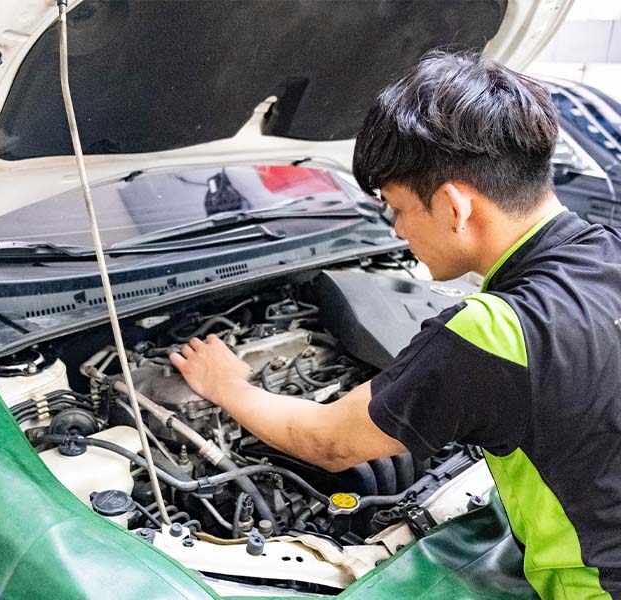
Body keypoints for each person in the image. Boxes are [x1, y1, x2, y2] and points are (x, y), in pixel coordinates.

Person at [169, 51, 621, 599]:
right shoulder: (608, 250)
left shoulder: (495, 335)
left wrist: (226, 385)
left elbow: (328, 443)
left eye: (396, 207)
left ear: (455, 206)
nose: (397, 230)